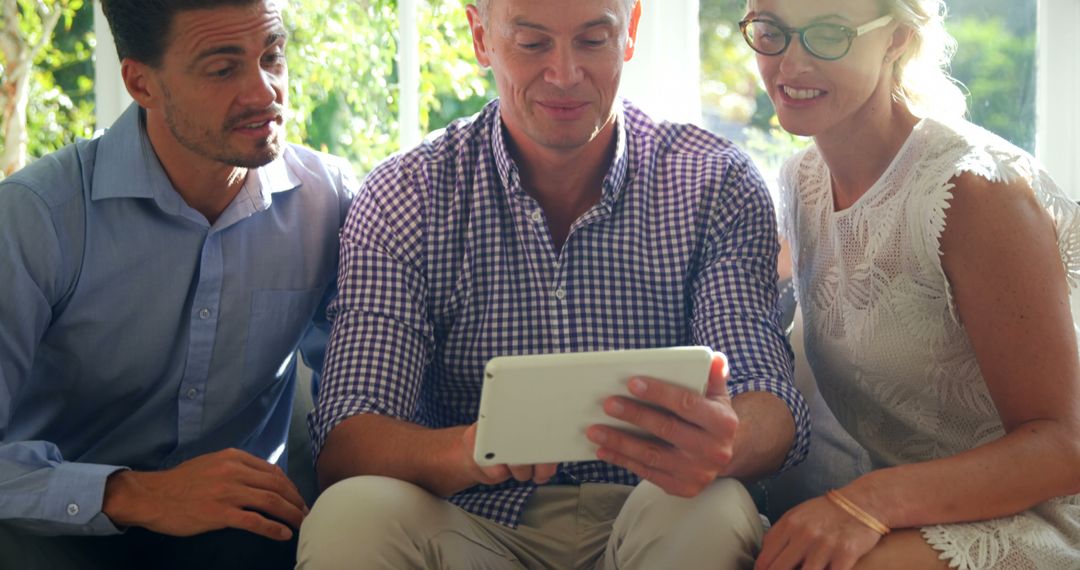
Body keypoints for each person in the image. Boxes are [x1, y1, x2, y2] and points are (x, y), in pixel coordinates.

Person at [297, 0, 810, 568]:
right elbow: (347, 438)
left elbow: (771, 398)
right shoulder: (407, 194)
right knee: (350, 512)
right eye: (533, 43)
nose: (564, 74)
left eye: (592, 41)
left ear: (631, 31)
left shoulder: (716, 181)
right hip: (469, 520)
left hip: (655, 505)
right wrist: (471, 451)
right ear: (481, 36)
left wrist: (725, 441)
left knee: (713, 508)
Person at [0, 0, 355, 568]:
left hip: (238, 539)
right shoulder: (38, 217)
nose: (265, 93)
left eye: (272, 56)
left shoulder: (328, 202)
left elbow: (367, 393)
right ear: (141, 84)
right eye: (223, 69)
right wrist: (136, 494)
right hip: (52, 534)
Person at [738, 0, 1080, 568]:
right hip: (895, 509)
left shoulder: (972, 192)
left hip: (1031, 516)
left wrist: (864, 504)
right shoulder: (803, 178)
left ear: (896, 38)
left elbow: (1066, 446)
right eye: (771, 31)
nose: (789, 64)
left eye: (827, 34)